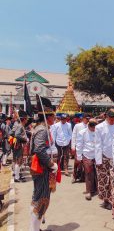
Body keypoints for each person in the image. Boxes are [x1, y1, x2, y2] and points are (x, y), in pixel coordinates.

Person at [30, 96, 58, 231]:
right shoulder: (42, 130)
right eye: (53, 115)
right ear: (47, 116)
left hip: (42, 169)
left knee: (39, 198)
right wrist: (51, 164)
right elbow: (39, 149)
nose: (55, 118)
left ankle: (36, 227)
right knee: (41, 199)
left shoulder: (42, 128)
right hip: (42, 169)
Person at [95, 108, 114, 210]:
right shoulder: (99, 127)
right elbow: (98, 144)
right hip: (103, 157)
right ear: (107, 117)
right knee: (104, 179)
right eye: (111, 119)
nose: (113, 121)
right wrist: (98, 161)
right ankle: (106, 200)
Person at [76, 118, 98, 200]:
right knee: (88, 173)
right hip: (87, 154)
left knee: (96, 173)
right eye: (91, 126)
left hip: (97, 155)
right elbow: (79, 145)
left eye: (94, 126)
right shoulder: (82, 133)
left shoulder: (98, 132)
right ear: (88, 125)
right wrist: (79, 156)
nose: (93, 128)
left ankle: (95, 189)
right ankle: (88, 191)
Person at [10, 110, 29, 182]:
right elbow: (17, 135)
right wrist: (24, 138)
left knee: (17, 160)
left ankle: (16, 174)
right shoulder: (20, 126)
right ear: (23, 119)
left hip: (17, 144)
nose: (27, 120)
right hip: (18, 144)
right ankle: (17, 177)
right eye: (26, 119)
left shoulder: (20, 125)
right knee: (19, 160)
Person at [71, 113, 91, 183]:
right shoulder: (77, 125)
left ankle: (82, 177)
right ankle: (74, 176)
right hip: (78, 146)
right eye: (86, 119)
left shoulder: (90, 125)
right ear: (83, 118)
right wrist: (73, 146)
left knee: (85, 163)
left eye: (89, 119)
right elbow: (73, 136)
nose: (87, 120)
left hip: (87, 147)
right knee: (77, 162)